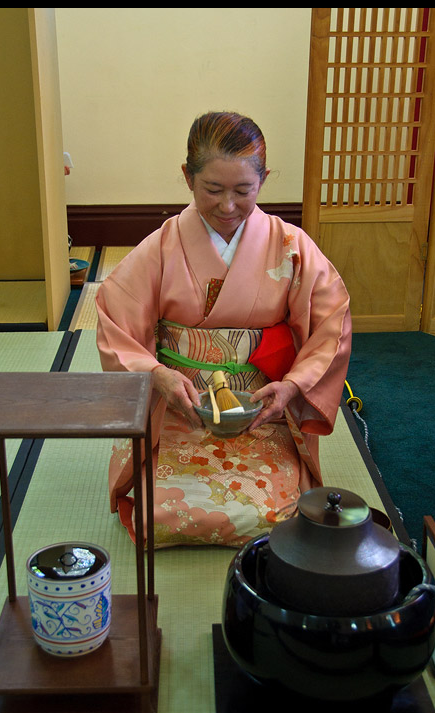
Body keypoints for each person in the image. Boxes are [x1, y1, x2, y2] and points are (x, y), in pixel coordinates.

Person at [96, 111, 351, 548]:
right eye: (212, 189)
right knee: (163, 515)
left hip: (260, 407)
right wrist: (157, 375)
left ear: (263, 180)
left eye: (243, 190)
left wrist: (291, 388)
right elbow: (115, 321)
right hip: (183, 403)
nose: (227, 206)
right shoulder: (161, 246)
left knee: (281, 517)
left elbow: (332, 324)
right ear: (188, 177)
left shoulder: (290, 246)